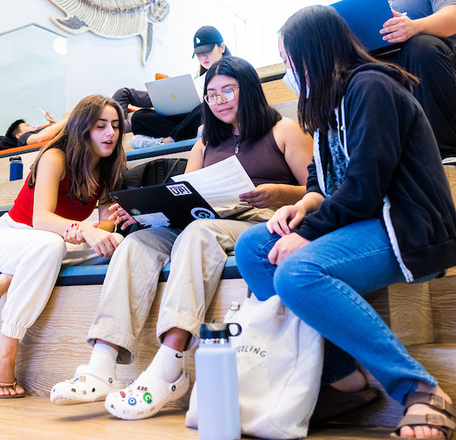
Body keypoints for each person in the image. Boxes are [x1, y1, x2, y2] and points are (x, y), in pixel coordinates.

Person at [234, 6, 456, 439]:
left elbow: (365, 186)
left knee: (297, 273)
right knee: (252, 248)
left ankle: (419, 389)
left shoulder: (371, 87)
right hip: (359, 223)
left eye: (289, 60)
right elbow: (321, 180)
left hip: (406, 226)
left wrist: (307, 234)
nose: (287, 71)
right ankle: (340, 379)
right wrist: (303, 207)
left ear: (314, 54)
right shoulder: (327, 105)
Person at [49, 56, 313, 420]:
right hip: (205, 218)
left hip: (259, 220)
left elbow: (317, 191)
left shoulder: (284, 130)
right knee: (136, 244)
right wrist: (144, 213)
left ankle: (169, 366)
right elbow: (184, 195)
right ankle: (102, 363)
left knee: (198, 233)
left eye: (228, 91)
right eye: (212, 95)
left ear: (249, 89)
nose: (219, 101)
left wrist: (279, 193)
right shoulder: (206, 141)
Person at [0, 94, 127, 398]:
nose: (111, 133)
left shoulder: (109, 167)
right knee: (51, 246)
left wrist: (101, 229)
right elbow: (41, 219)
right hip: (10, 238)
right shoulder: (55, 156)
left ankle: (9, 277)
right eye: (100, 126)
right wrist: (82, 229)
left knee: (117, 244)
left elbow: (106, 225)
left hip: (54, 243)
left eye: (115, 126)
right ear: (82, 128)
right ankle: (6, 351)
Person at [373, 0, 456, 175]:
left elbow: (455, 18)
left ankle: (447, 154)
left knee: (421, 45)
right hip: (392, 75)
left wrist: (414, 27)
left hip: (436, 65)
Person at [114, 26, 232, 149]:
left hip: (207, 117)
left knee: (205, 107)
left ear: (222, 47)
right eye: (198, 53)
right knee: (138, 117)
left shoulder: (233, 73)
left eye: (207, 51)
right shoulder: (197, 80)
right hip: (188, 122)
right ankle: (184, 135)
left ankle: (169, 140)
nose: (203, 57)